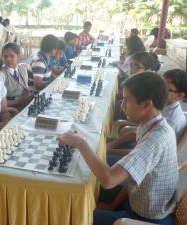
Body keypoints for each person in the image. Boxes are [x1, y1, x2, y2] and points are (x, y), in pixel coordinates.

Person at [58, 72, 178, 225]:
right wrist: (112, 205)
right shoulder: (154, 124)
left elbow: (109, 179)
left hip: (146, 219)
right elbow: (134, 177)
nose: (122, 105)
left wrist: (80, 143)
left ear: (147, 104)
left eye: (126, 100)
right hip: (136, 202)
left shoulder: (156, 139)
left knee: (73, 215)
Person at [1, 42, 33, 109]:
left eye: (12, 56)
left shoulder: (22, 69)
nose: (8, 59)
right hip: (9, 106)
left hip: (23, 102)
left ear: (18, 57)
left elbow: (25, 86)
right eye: (5, 56)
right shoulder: (1, 74)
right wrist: (18, 102)